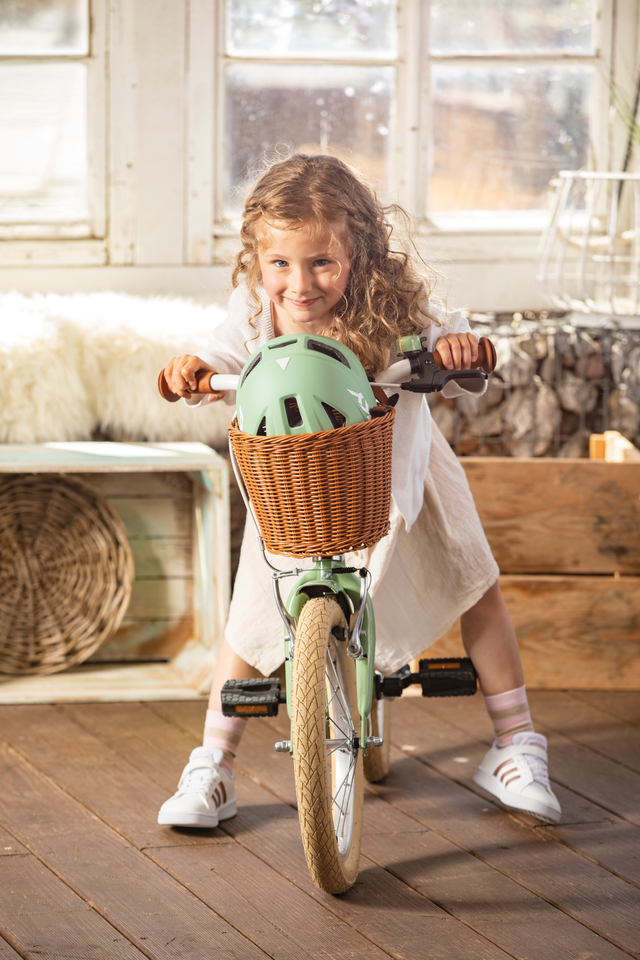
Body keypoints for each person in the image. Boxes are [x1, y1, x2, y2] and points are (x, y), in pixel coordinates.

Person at [158, 154, 561, 830]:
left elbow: (452, 339)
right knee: (252, 604)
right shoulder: (259, 310)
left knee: (472, 578)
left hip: (403, 475)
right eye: (279, 263)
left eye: (321, 262)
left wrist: (463, 353)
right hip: (303, 484)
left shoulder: (397, 303)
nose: (299, 283)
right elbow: (224, 353)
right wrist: (196, 369)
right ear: (256, 259)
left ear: (359, 253)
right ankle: (213, 765)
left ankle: (515, 742)